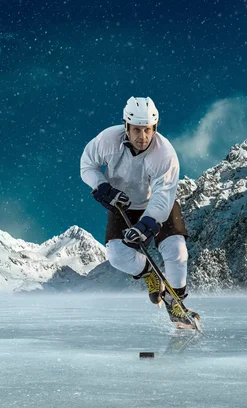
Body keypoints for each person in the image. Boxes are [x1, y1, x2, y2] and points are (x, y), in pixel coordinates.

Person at [80, 96, 198, 326]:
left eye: (147, 130)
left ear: (155, 127)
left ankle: (176, 303)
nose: (142, 137)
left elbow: (163, 195)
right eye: (136, 130)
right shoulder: (107, 140)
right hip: (121, 204)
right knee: (117, 256)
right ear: (126, 126)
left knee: (177, 251)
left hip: (157, 204)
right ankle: (150, 274)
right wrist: (102, 186)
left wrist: (147, 224)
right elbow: (87, 165)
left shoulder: (165, 155)